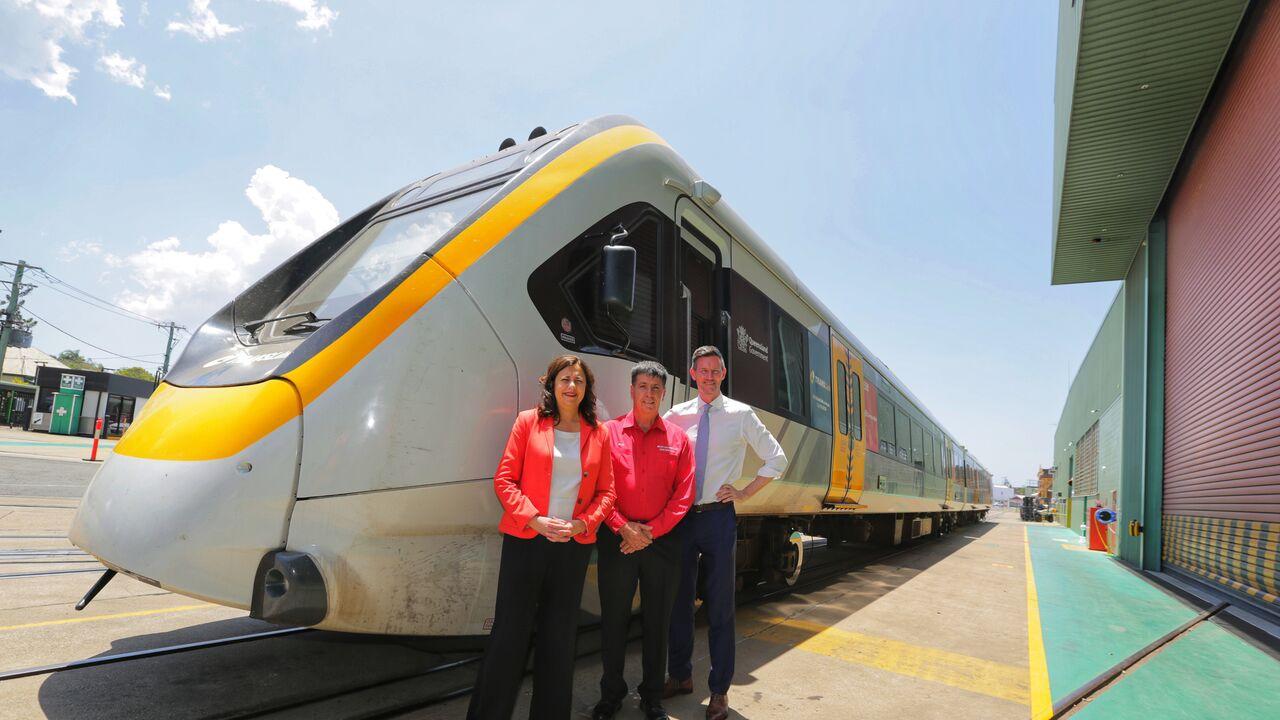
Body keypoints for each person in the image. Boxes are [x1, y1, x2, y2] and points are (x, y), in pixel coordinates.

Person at [467, 354, 616, 720]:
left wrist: (583, 524)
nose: (571, 386)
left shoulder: (598, 433)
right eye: (565, 379)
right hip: (526, 542)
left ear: (587, 389)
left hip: (572, 549)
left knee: (559, 639)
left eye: (579, 381)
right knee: (509, 636)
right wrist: (534, 519)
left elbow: (607, 493)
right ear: (551, 384)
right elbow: (504, 480)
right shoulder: (528, 423)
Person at [663, 346, 787, 720]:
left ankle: (719, 692)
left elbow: (776, 458)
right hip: (681, 518)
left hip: (718, 518)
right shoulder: (676, 415)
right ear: (692, 373)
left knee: (719, 607)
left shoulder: (740, 414)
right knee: (678, 603)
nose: (710, 376)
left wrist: (745, 491)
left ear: (724, 373)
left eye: (716, 370)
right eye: (703, 371)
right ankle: (681, 676)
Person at [592, 361, 695, 720]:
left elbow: (683, 495)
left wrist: (652, 531)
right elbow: (598, 487)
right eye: (642, 386)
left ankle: (653, 697)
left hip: (662, 543)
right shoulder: (609, 433)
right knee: (614, 621)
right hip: (617, 539)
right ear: (631, 390)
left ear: (663, 393)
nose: (648, 394)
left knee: (657, 622)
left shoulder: (678, 440)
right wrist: (623, 527)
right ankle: (611, 696)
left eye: (655, 388)